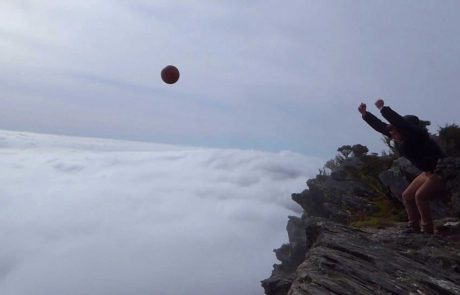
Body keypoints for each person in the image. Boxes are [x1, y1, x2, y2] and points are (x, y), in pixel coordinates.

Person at [358, 99, 446, 234]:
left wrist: (384, 109)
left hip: (440, 171)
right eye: (393, 132)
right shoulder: (397, 135)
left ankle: (427, 230)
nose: (394, 135)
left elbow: (404, 125)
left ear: (405, 130)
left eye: (397, 131)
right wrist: (365, 114)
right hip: (427, 173)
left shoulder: (419, 135)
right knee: (407, 195)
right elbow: (382, 127)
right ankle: (413, 226)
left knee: (420, 196)